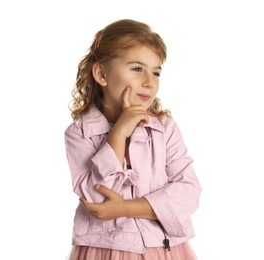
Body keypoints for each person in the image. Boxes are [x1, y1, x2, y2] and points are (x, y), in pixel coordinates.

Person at [64, 19, 201, 260]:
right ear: (101, 74)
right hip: (105, 249)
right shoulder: (80, 133)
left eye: (156, 72)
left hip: (163, 248)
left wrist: (126, 208)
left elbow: (188, 192)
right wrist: (118, 134)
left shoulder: (164, 129)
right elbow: (96, 199)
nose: (150, 81)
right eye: (137, 69)